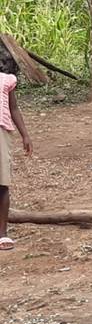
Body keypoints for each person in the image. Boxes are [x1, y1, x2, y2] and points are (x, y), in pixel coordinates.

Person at [0, 54, 33, 250]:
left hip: (1, 132)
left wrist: (25, 135)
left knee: (2, 182)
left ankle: (2, 233)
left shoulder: (6, 80)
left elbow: (14, 109)